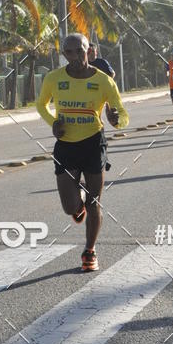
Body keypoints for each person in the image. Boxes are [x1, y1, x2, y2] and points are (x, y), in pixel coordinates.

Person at [36, 33, 129, 272]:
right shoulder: (54, 78)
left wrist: (115, 120)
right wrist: (52, 122)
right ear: (64, 54)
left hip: (92, 143)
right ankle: (78, 208)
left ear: (90, 51)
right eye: (69, 52)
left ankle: (90, 251)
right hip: (66, 144)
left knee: (94, 201)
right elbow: (41, 104)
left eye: (80, 51)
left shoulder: (104, 81)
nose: (75, 56)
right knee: (70, 207)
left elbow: (122, 114)